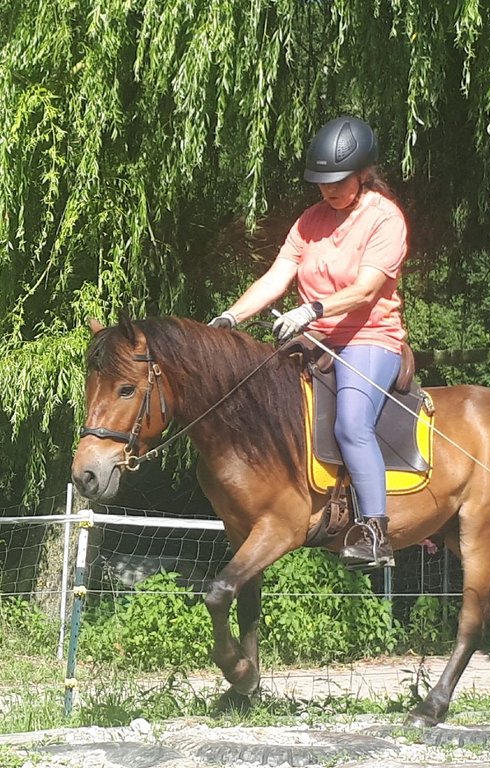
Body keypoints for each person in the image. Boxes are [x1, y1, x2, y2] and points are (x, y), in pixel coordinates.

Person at [208, 115, 408, 569]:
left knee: (351, 425)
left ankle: (375, 531)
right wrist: (231, 315)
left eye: (337, 181)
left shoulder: (384, 219)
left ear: (363, 174)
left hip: (368, 338)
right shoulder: (310, 220)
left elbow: (367, 288)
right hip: (313, 341)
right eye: (321, 183)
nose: (327, 190)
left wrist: (313, 310)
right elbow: (277, 276)